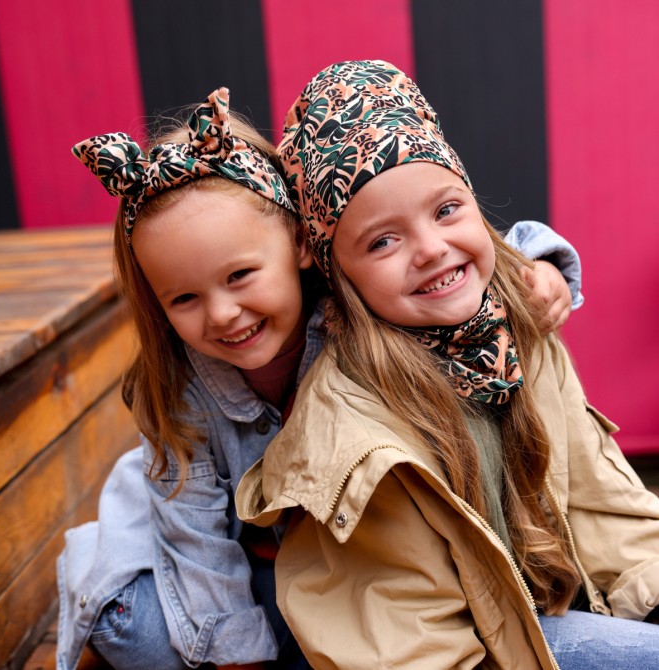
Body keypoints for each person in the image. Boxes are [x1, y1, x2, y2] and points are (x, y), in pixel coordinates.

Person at [57, 86, 582, 670]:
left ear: (304, 245)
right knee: (147, 636)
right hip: (218, 561)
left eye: (240, 275)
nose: (223, 313)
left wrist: (542, 265)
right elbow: (197, 544)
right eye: (184, 298)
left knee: (320, 627)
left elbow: (437, 258)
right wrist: (239, 657)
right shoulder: (182, 394)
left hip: (322, 572)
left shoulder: (344, 304)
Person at [236, 60, 659, 669]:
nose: (431, 249)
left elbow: (602, 505)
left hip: (546, 611)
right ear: (339, 273)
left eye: (445, 210)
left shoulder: (515, 327)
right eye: (383, 241)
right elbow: (403, 646)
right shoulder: (351, 436)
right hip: (488, 648)